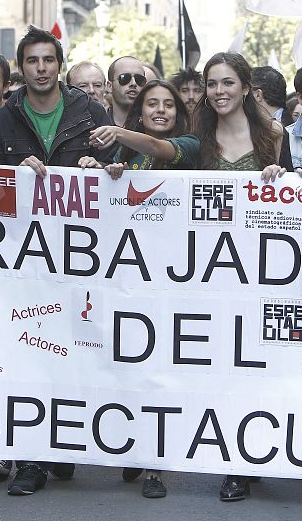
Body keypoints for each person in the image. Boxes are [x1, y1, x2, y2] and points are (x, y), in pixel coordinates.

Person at [0, 25, 115, 495]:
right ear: (22, 68)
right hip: (24, 263)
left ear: (60, 64)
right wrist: (11, 177)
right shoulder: (1, 122)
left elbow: (114, 179)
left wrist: (101, 170)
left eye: (48, 60)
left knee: (72, 357)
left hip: (81, 261)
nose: (41, 68)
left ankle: (64, 445)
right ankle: (32, 459)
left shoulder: (90, 112)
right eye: (32, 61)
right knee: (30, 358)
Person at [81, 81, 199, 498]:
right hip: (126, 283)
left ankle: (155, 465)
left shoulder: (189, 146)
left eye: (169, 104)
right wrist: (101, 170)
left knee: (160, 375)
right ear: (141, 110)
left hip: (173, 285)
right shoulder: (124, 154)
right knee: (129, 368)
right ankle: (133, 446)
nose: (162, 110)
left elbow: (159, 149)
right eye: (152, 104)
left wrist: (119, 135)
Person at [193, 51, 285, 502]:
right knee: (219, 368)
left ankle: (246, 459)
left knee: (255, 368)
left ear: (246, 87)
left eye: (228, 82)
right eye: (212, 84)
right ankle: (228, 457)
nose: (219, 92)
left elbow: (284, 201)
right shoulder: (198, 134)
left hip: (261, 271)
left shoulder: (272, 133)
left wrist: (280, 177)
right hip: (208, 271)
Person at [106, 56, 146, 127]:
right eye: (125, 78)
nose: (133, 83)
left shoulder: (152, 126)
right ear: (109, 86)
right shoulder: (96, 123)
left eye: (139, 79)